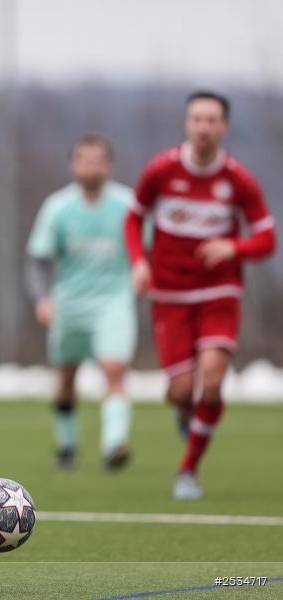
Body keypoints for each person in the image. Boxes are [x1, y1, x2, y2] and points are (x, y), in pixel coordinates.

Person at [125, 91, 276, 500]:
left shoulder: (237, 180)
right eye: (197, 118)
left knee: (212, 378)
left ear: (224, 127)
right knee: (180, 389)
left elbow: (267, 238)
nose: (204, 126)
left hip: (218, 293)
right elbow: (134, 219)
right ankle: (184, 408)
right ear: (187, 124)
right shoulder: (161, 171)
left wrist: (234, 248)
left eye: (212, 120)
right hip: (170, 294)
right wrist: (140, 262)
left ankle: (187, 470)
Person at [25, 134, 136, 471]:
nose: (91, 166)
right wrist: (42, 298)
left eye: (98, 160)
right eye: (84, 159)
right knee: (65, 379)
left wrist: (145, 273)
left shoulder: (128, 205)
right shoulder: (58, 207)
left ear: (109, 165)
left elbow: (148, 250)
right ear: (74, 164)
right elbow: (37, 260)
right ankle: (68, 445)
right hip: (69, 303)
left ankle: (114, 445)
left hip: (114, 301)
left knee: (114, 368)